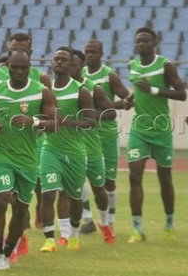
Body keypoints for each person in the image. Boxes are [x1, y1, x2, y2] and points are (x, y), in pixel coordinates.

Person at [0, 49, 57, 270]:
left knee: (21, 210)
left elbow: (56, 123)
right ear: (7, 66)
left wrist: (34, 121)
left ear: (30, 68)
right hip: (1, 156)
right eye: (15, 67)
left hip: (28, 160)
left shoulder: (42, 92)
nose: (20, 71)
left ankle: (10, 250)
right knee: (0, 200)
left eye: (24, 67)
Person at [126, 27, 186, 243]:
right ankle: (137, 229)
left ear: (155, 43)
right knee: (134, 176)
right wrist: (130, 99)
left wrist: (154, 91)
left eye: (145, 41)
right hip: (139, 129)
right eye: (138, 41)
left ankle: (169, 223)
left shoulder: (165, 65)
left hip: (161, 131)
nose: (141, 44)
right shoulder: (132, 65)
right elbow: (138, 90)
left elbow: (181, 93)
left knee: (165, 178)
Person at [39, 47, 96, 253]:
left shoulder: (80, 90)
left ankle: (72, 233)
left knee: (74, 197)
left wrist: (67, 122)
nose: (59, 62)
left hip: (75, 152)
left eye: (64, 59)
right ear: (51, 63)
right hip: (50, 148)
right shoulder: (45, 90)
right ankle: (50, 239)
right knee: (48, 194)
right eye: (56, 59)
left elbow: (91, 121)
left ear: (71, 63)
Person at [56, 49, 116, 245]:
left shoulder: (91, 88)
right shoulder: (54, 88)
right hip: (68, 149)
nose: (70, 67)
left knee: (100, 189)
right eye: (68, 63)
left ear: (80, 66)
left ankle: (105, 223)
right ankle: (69, 234)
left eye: (74, 64)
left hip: (92, 148)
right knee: (67, 192)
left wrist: (90, 116)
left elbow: (111, 113)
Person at [80, 39, 131, 233]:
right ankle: (87, 219)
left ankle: (109, 220)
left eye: (93, 52)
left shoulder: (110, 76)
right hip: (86, 134)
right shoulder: (80, 75)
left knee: (108, 180)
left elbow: (128, 100)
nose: (89, 55)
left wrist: (105, 109)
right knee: (80, 176)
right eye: (87, 52)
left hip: (107, 134)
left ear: (101, 53)